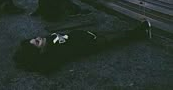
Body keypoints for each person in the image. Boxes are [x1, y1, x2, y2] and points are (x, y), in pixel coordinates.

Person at [13, 20, 152, 73]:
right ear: (41, 51)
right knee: (118, 38)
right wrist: (91, 38)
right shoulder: (54, 53)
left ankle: (139, 32)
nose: (37, 37)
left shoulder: (49, 42)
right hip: (93, 42)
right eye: (37, 42)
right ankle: (141, 33)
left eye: (34, 38)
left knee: (117, 34)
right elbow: (76, 48)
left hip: (88, 35)